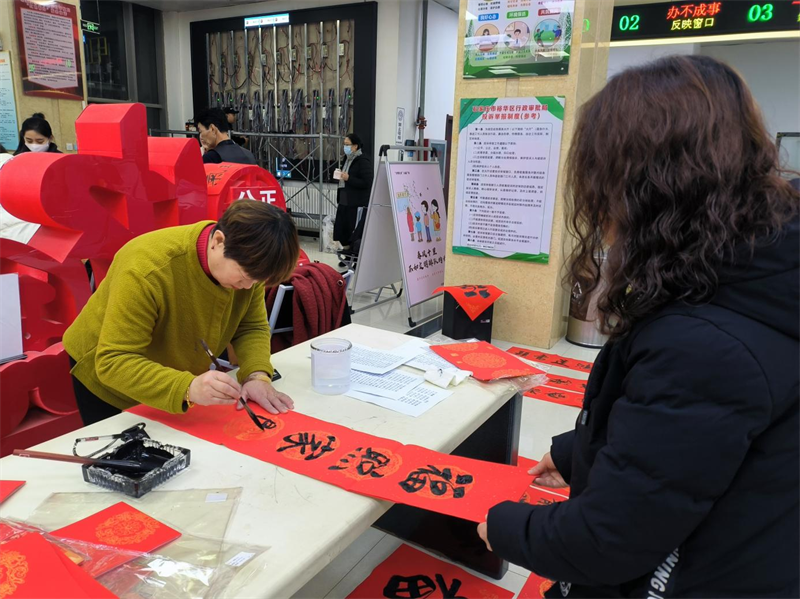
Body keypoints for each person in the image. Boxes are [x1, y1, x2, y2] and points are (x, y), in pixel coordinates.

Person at [479, 55, 800, 598]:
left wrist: (507, 527)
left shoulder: (706, 343)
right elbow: (687, 447)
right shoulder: (751, 271)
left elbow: (608, 540)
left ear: (644, 189)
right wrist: (577, 453)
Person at [63, 201, 300, 426]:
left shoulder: (250, 262)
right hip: (109, 379)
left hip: (170, 370)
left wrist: (256, 375)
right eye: (244, 276)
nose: (248, 287)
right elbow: (114, 361)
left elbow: (250, 326)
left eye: (257, 281)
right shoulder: (147, 269)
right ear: (218, 241)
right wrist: (188, 388)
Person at [333, 133, 373, 254]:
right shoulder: (347, 159)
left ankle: (354, 254)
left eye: (347, 144)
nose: (345, 147)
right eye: (344, 144)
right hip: (344, 198)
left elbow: (367, 182)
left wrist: (349, 178)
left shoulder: (363, 161)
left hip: (356, 202)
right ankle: (347, 253)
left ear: (355, 146)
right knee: (341, 227)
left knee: (352, 229)